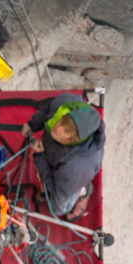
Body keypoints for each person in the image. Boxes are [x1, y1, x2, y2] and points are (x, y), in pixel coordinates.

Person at [20, 92, 105, 220]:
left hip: (72, 177)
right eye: (62, 121)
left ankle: (83, 191)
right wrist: (33, 124)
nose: (57, 128)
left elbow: (56, 189)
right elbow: (50, 108)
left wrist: (40, 156)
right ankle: (49, 177)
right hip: (60, 158)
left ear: (74, 140)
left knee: (57, 208)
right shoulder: (66, 105)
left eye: (65, 131)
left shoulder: (76, 168)